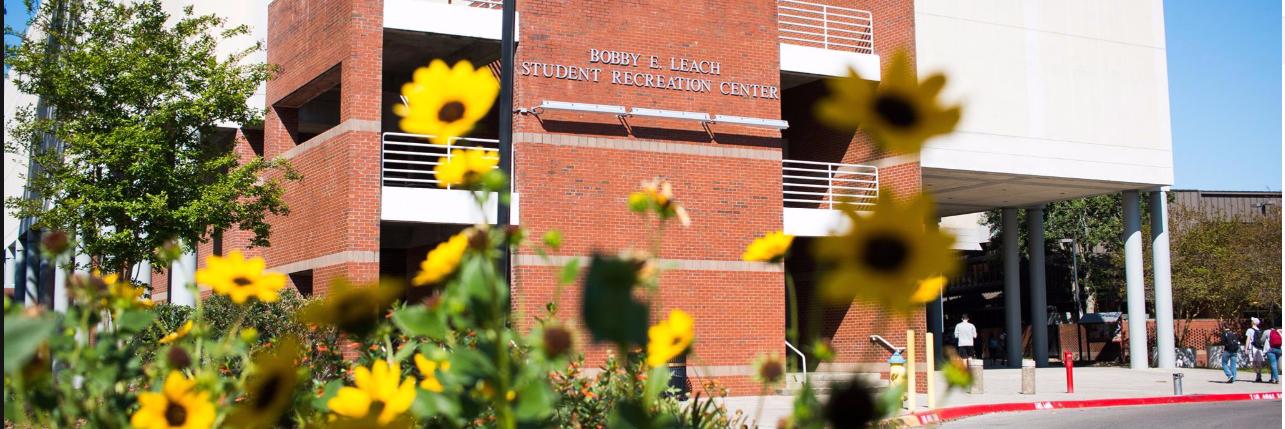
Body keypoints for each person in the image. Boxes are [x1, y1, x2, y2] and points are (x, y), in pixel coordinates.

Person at [1246, 317, 1267, 382]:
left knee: (1253, 362)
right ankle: (1259, 375)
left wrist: (1246, 348)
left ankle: (1258, 374)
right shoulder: (1260, 330)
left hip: (1253, 348)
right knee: (1259, 362)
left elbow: (1248, 339)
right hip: (1259, 348)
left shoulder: (1249, 330)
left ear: (1253, 322)